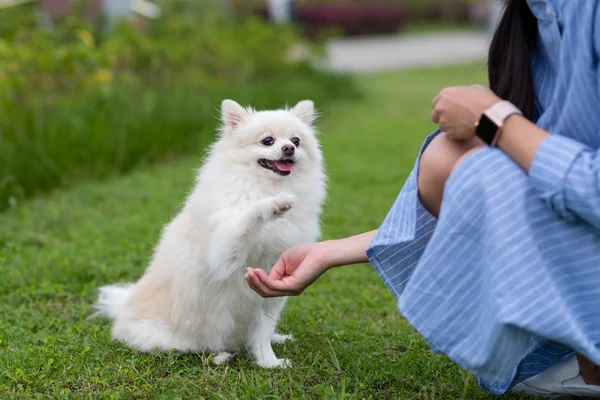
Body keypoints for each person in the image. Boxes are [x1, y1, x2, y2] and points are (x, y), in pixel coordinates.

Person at [245, 0, 600, 397]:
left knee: (457, 160)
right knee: (451, 158)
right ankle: (584, 358)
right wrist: (329, 252)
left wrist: (495, 119)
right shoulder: (534, 16)